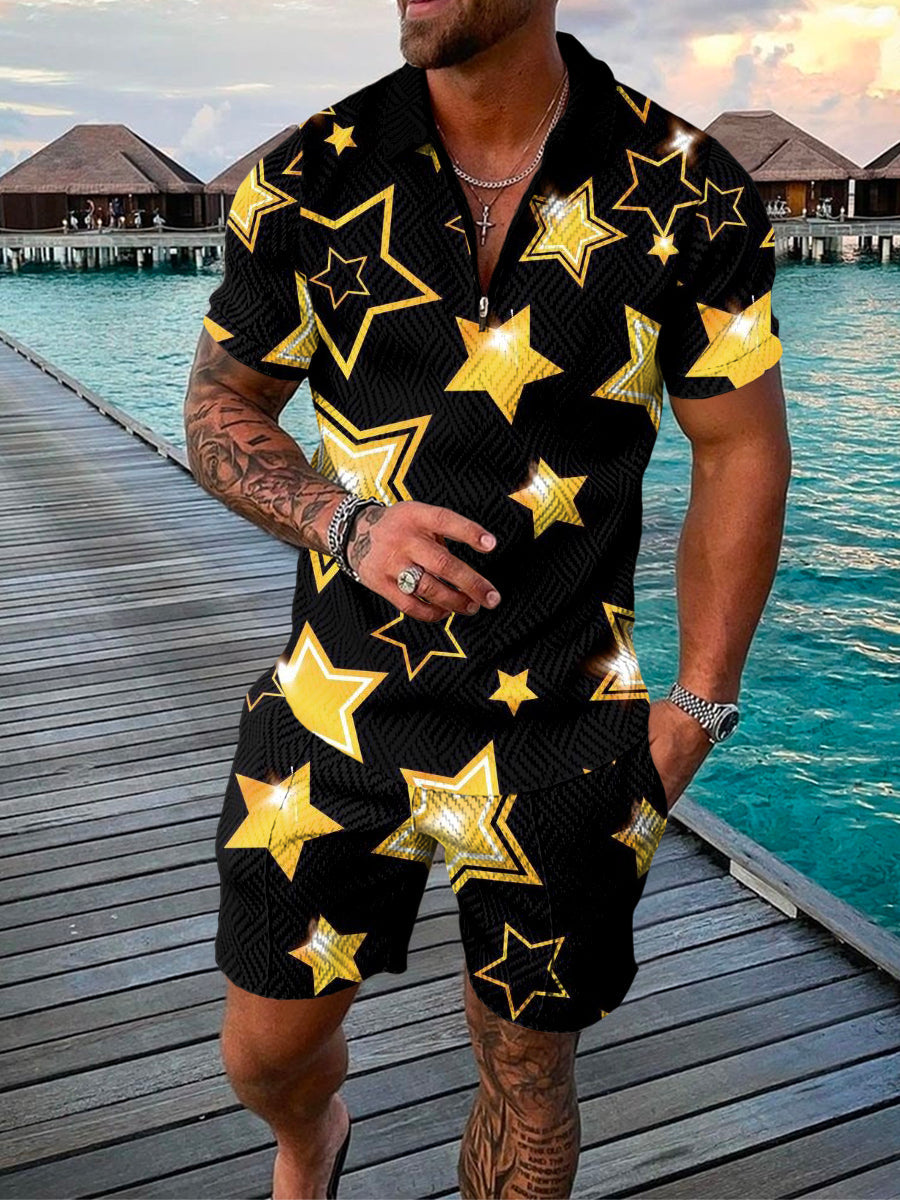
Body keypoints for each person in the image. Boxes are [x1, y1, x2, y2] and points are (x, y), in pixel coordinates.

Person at [185, 2, 790, 1197]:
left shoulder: (688, 189)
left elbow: (740, 447)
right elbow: (220, 405)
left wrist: (700, 705)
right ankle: (311, 1138)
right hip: (333, 710)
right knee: (264, 1055)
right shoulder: (308, 177)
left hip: (564, 727)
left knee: (528, 1074)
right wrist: (343, 523)